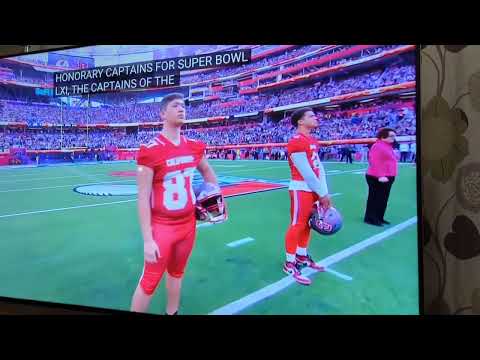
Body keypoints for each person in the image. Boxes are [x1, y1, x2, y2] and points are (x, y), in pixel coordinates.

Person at [130, 93, 223, 315]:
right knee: (150, 280)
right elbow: (143, 197)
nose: (181, 109)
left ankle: (172, 312)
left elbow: (208, 171)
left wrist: (211, 194)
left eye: (183, 105)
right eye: (175, 106)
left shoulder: (193, 146)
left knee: (177, 273)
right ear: (163, 113)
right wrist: (147, 240)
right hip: (162, 226)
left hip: (188, 224)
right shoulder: (150, 149)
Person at [283, 108, 333, 286]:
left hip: (313, 189)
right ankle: (289, 263)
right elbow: (306, 173)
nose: (316, 117)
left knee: (308, 225)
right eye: (311, 116)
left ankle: (302, 256)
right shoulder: (296, 141)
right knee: (297, 224)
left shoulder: (312, 140)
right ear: (300, 122)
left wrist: (324, 192)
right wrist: (322, 193)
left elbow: (320, 168)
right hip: (300, 188)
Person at [364, 128, 398, 227]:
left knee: (383, 199)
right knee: (375, 198)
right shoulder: (378, 146)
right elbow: (374, 161)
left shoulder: (388, 146)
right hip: (377, 177)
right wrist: (380, 175)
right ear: (383, 137)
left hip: (388, 176)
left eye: (394, 136)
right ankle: (371, 218)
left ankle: (379, 217)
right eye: (391, 136)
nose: (393, 138)